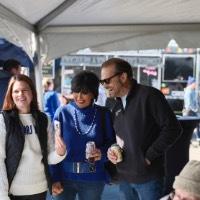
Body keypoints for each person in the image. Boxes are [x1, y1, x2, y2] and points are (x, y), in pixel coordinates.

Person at [100, 58, 182, 200]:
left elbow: (173, 128)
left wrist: (149, 156)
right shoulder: (113, 103)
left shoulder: (150, 95)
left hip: (148, 177)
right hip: (124, 176)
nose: (104, 86)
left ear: (123, 77)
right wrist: (111, 150)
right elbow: (116, 136)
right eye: (102, 82)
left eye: (107, 81)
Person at [50, 71, 115, 200]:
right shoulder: (62, 112)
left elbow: (112, 143)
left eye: (84, 92)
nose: (79, 96)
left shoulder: (104, 114)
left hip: (93, 178)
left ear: (93, 93)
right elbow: (52, 147)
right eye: (76, 91)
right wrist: (54, 178)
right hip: (64, 178)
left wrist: (101, 153)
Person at [0, 74, 67, 200]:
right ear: (11, 94)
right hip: (14, 192)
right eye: (16, 91)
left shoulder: (43, 119)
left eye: (25, 90)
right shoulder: (4, 120)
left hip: (40, 189)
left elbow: (49, 158)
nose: (20, 94)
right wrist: (2, 195)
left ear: (32, 92)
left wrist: (60, 152)